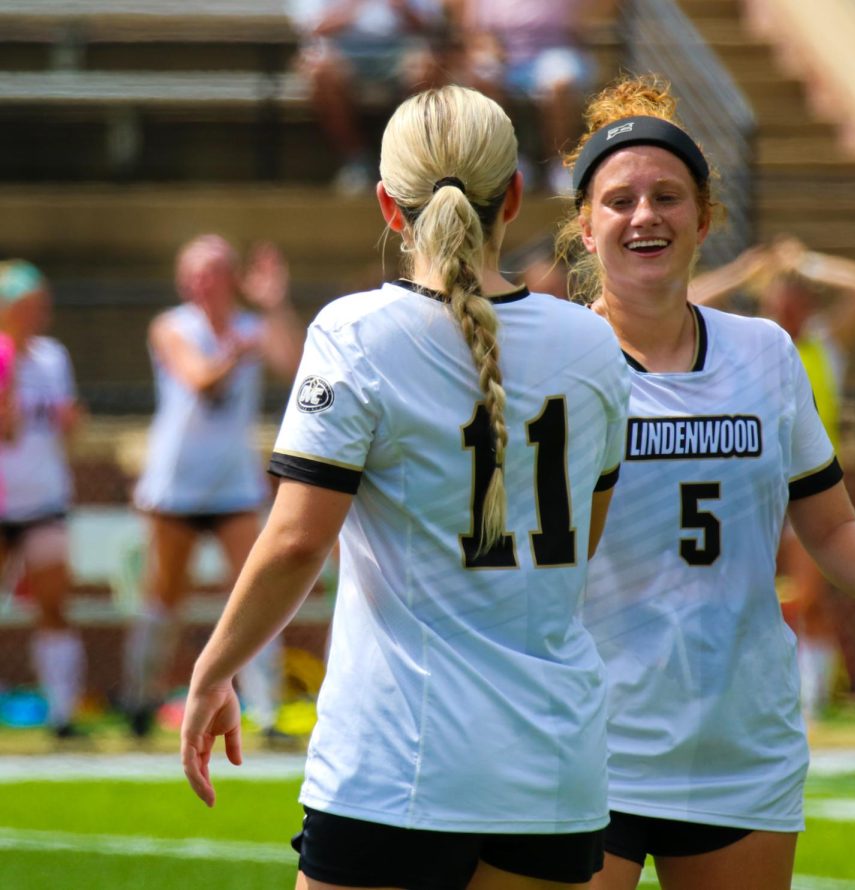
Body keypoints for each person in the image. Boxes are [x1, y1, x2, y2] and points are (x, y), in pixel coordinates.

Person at [180, 85, 630, 890]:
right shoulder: (593, 344)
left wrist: (215, 668)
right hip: (553, 768)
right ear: (515, 198)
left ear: (391, 208)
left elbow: (293, 542)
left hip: (396, 763)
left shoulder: (354, 333)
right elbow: (579, 548)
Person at [556, 76, 855, 890]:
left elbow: (830, 527)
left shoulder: (765, 353)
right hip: (589, 743)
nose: (644, 216)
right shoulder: (554, 364)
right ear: (585, 229)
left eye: (667, 196)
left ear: (705, 217)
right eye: (619, 201)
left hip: (740, 745)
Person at [122, 236, 304, 738]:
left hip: (232, 486)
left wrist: (275, 305)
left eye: (218, 270)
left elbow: (295, 363)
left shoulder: (252, 326)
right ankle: (140, 698)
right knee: (165, 596)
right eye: (199, 272)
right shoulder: (171, 326)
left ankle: (265, 711)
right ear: (186, 281)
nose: (207, 281)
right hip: (175, 487)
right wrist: (236, 351)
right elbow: (198, 378)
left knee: (255, 593)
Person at [691, 237, 855, 717]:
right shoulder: (746, 343)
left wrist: (807, 261)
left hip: (807, 490)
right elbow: (691, 299)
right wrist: (745, 269)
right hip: (746, 486)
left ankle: (811, 697)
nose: (788, 306)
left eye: (797, 297)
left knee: (810, 598)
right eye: (779, 295)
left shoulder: (823, 345)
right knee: (733, 592)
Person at [0, 260, 86, 739]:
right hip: (3, 499)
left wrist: (72, 422)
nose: (38, 314)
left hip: (44, 499)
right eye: (27, 306)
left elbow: (63, 432)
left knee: (54, 605)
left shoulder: (54, 357)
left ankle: (62, 713)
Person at [289, 0, 447, 193]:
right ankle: (358, 161)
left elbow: (431, 27)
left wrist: (403, 9)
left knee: (428, 67)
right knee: (319, 72)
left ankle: (406, 158)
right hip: (339, 52)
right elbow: (314, 27)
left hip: (401, 49)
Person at [456, 0, 604, 193]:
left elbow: (590, 18)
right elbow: (477, 34)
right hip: (507, 59)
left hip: (556, 53)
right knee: (484, 75)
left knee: (560, 81)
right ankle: (508, 159)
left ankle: (560, 163)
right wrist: (493, 52)